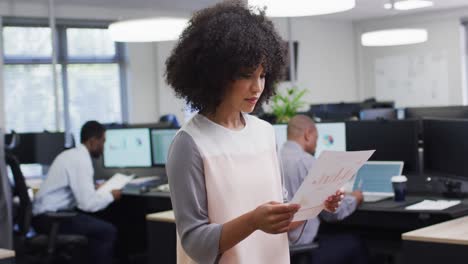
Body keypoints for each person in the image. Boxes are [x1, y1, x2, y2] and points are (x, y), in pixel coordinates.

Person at [165, 1, 343, 263]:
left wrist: (315, 204)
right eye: (247, 75)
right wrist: (253, 221)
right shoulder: (190, 143)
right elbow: (195, 243)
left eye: (262, 75)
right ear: (216, 74)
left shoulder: (264, 132)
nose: (257, 87)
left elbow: (279, 218)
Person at [280, 115, 368, 264]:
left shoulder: (275, 157)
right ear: (308, 134)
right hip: (302, 250)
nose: (316, 143)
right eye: (316, 137)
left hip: (280, 250)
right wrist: (356, 198)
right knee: (355, 243)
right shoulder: (306, 162)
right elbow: (333, 213)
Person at [32, 121, 121, 264]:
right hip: (52, 219)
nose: (103, 147)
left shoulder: (73, 155)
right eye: (102, 141)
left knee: (101, 224)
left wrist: (93, 187)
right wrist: (111, 195)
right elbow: (87, 204)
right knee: (107, 231)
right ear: (93, 141)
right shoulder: (81, 160)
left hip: (45, 216)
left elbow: (77, 188)